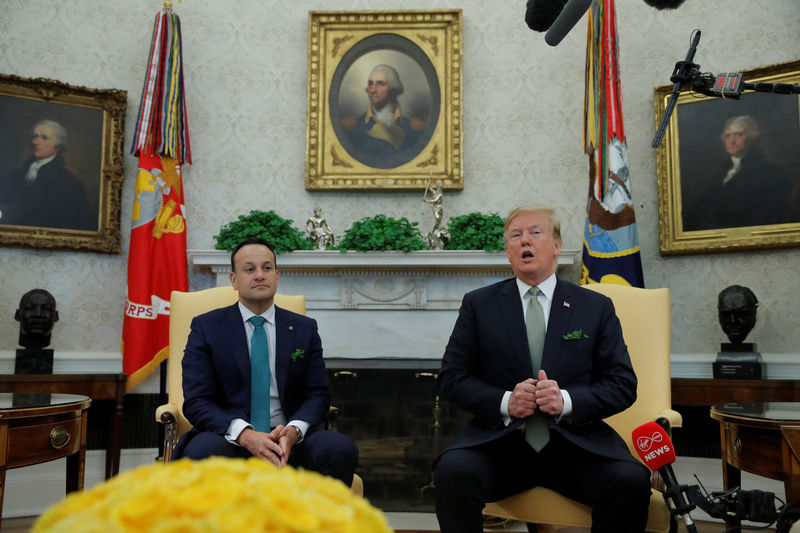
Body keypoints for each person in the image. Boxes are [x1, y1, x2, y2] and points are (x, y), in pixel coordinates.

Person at [434, 206, 651, 533]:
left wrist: (566, 400)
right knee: (451, 472)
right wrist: (506, 401)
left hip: (576, 444)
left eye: (535, 233)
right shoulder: (478, 305)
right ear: (508, 251)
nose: (525, 241)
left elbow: (622, 384)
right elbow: (451, 379)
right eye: (515, 236)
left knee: (629, 481)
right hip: (502, 445)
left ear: (557, 246)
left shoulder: (594, 307)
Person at [174, 238, 358, 486]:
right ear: (234, 280)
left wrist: (293, 431)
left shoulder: (304, 328)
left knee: (339, 449)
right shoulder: (206, 327)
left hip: (289, 437)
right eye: (250, 269)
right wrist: (245, 435)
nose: (260, 275)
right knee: (202, 453)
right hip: (228, 436)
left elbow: (318, 394)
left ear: (277, 276)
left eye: (267, 268)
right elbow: (197, 401)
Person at [684, 115, 795, 231]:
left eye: (738, 134)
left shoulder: (771, 174)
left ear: (752, 138)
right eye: (728, 136)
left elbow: (768, 218)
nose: (732, 141)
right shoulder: (717, 178)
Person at [0, 119, 94, 230]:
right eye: (35, 137)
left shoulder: (69, 183)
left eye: (44, 138)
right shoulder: (17, 174)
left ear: (58, 144)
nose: (36, 142)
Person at [340, 64, 426, 157]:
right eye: (370, 83)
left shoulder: (415, 127)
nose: (372, 90)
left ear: (393, 88)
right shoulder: (351, 126)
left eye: (380, 84)